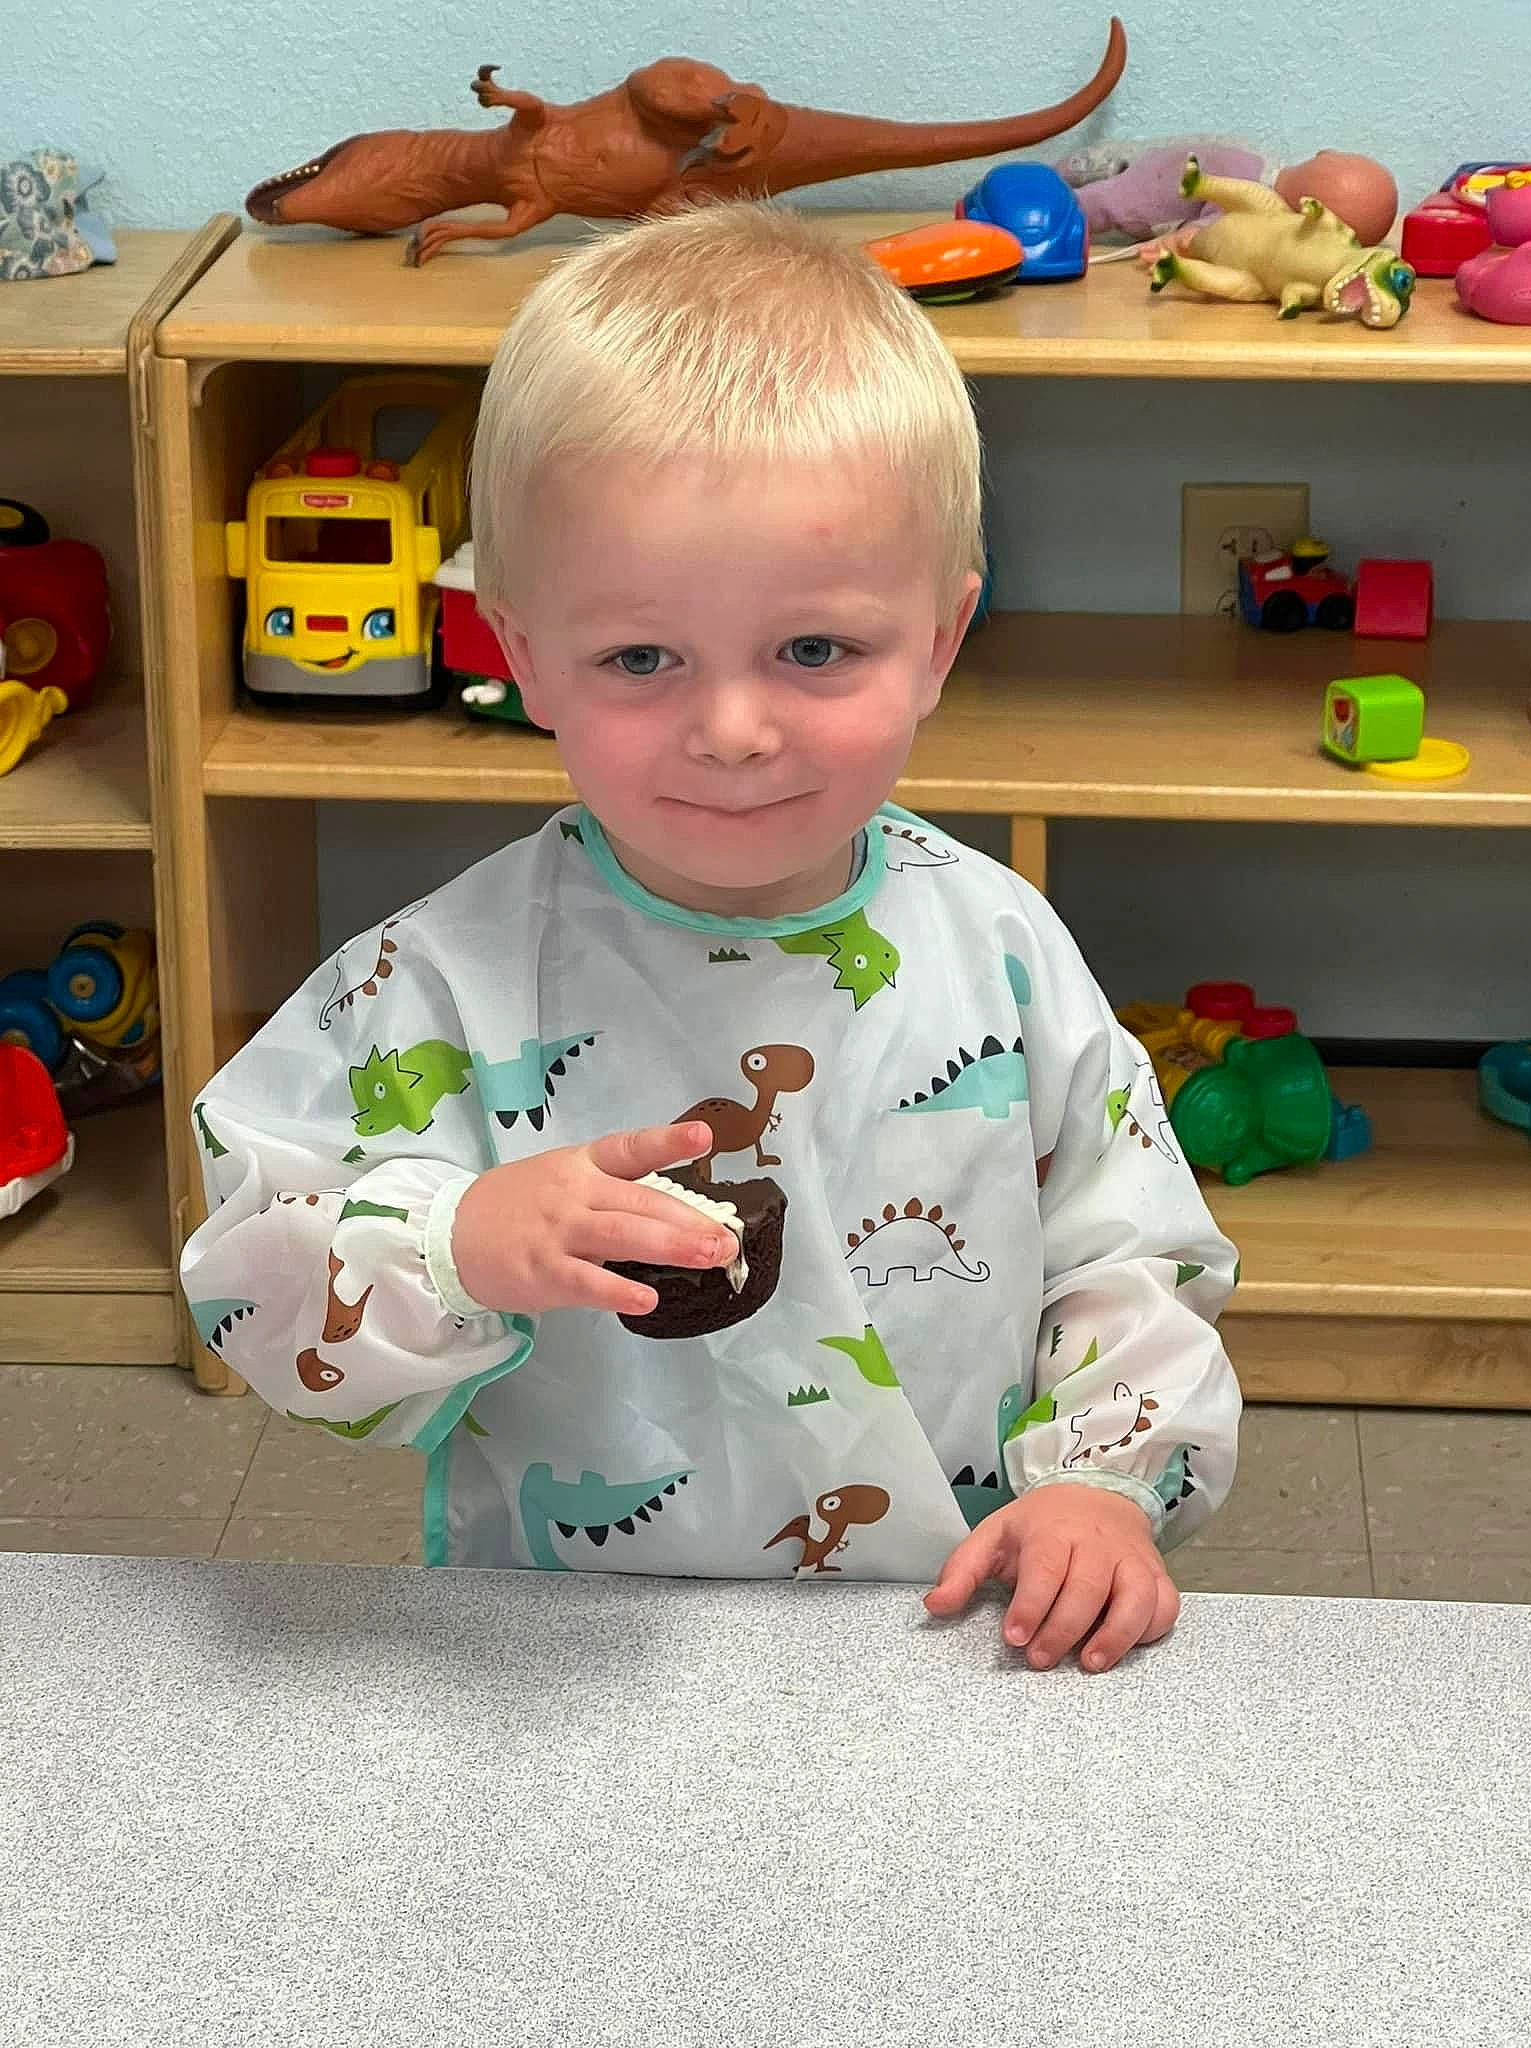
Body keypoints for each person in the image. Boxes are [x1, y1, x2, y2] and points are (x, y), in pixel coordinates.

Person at [180, 201, 1240, 1673]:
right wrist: (455, 1238)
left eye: (817, 650)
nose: (734, 731)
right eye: (640, 657)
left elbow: (1130, 1259)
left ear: (939, 638)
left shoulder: (1001, 946)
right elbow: (244, 1285)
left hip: (948, 1634)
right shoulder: (425, 984)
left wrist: (1104, 1484)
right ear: (522, 653)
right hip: (560, 1652)